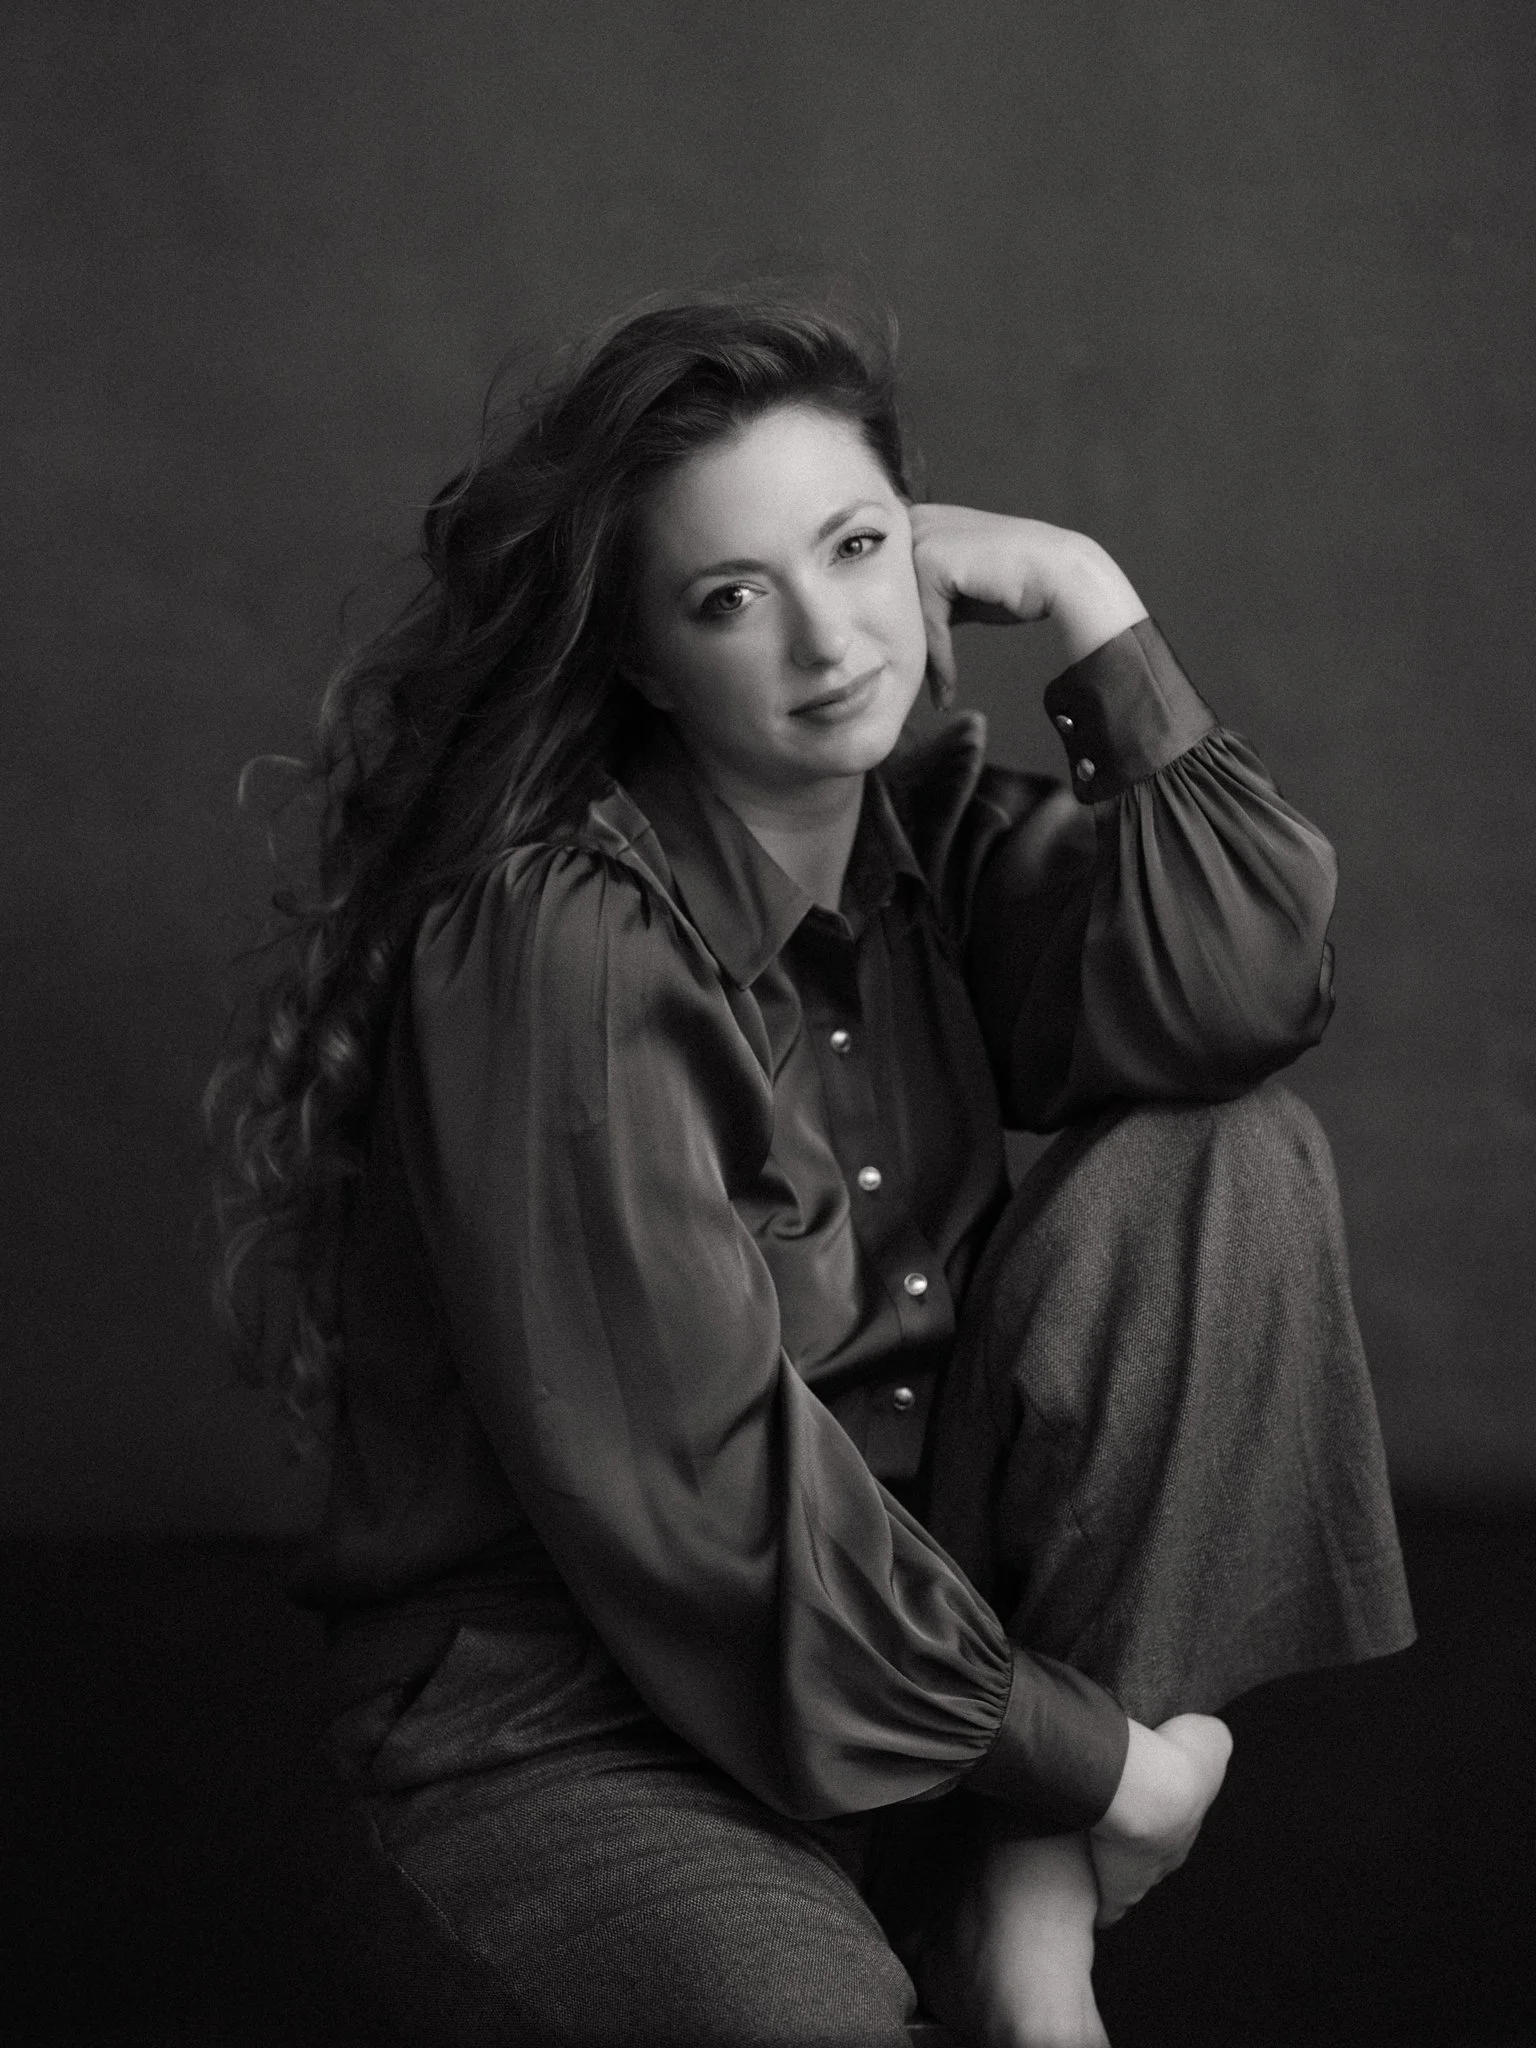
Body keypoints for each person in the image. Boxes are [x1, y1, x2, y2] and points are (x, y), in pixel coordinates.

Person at [208, 291, 1415, 2048]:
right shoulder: (562, 940)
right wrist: (1109, 1769)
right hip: (591, 1727)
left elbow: (1247, 999)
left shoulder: (932, 836)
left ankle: (1023, 1909)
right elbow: (696, 1511)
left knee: (1228, 1154)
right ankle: (1015, 1854)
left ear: (920, 547)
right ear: (643, 660)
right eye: (730, 596)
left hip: (926, 1688)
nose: (829, 638)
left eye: (855, 548)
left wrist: (1088, 593)